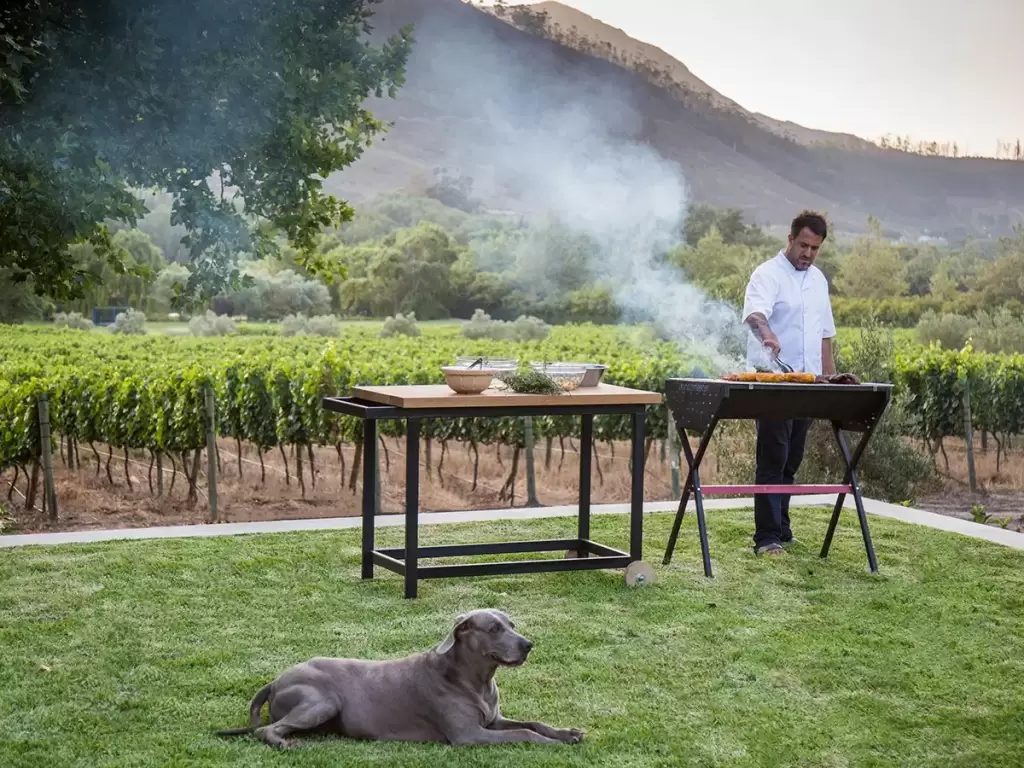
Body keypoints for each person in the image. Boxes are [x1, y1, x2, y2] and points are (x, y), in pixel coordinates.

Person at [741, 210, 837, 556]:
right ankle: (766, 538)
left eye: (815, 248)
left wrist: (831, 381)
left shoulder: (819, 280)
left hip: (809, 384)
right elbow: (755, 315)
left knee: (792, 459)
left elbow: (825, 335)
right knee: (773, 456)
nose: (808, 253)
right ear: (790, 239)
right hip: (774, 382)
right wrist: (768, 336)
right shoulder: (767, 274)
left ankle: (782, 527)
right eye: (803, 245)